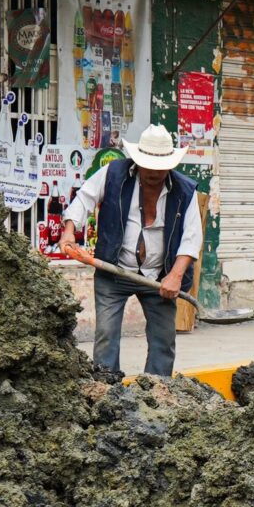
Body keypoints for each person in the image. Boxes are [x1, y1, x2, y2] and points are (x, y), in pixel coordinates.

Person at [58, 125, 201, 379]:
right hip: (113, 271)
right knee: (106, 336)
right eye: (148, 166)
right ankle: (106, 390)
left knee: (163, 341)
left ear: (169, 165)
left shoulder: (184, 191)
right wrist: (69, 231)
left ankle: (157, 392)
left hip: (159, 277)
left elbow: (191, 239)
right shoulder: (114, 174)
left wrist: (176, 275)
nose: (153, 173)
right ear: (137, 161)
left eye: (160, 168)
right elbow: (84, 199)